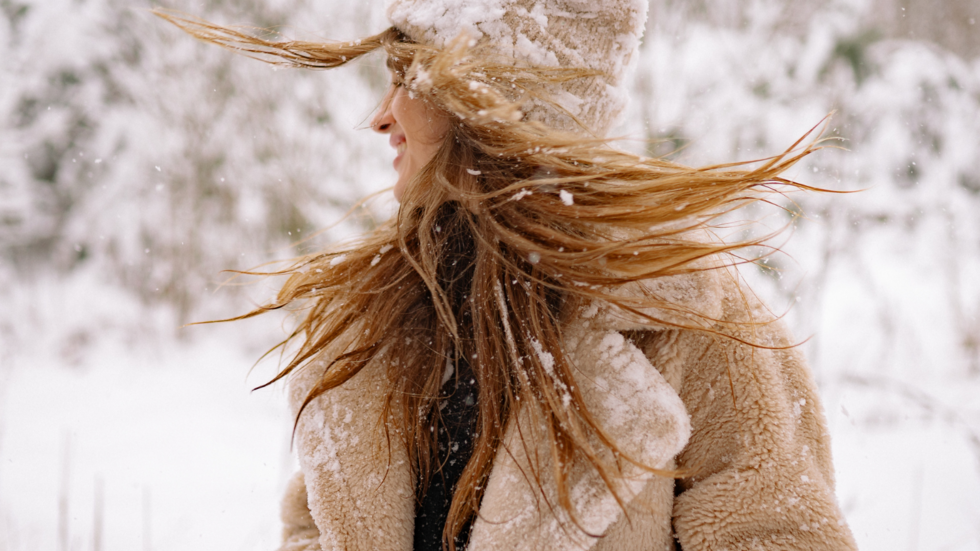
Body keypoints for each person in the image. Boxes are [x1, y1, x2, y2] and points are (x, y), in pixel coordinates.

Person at [158, 2, 859, 550]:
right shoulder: (378, 323)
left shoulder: (693, 323)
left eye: (407, 77)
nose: (380, 117)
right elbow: (321, 528)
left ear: (500, 90)